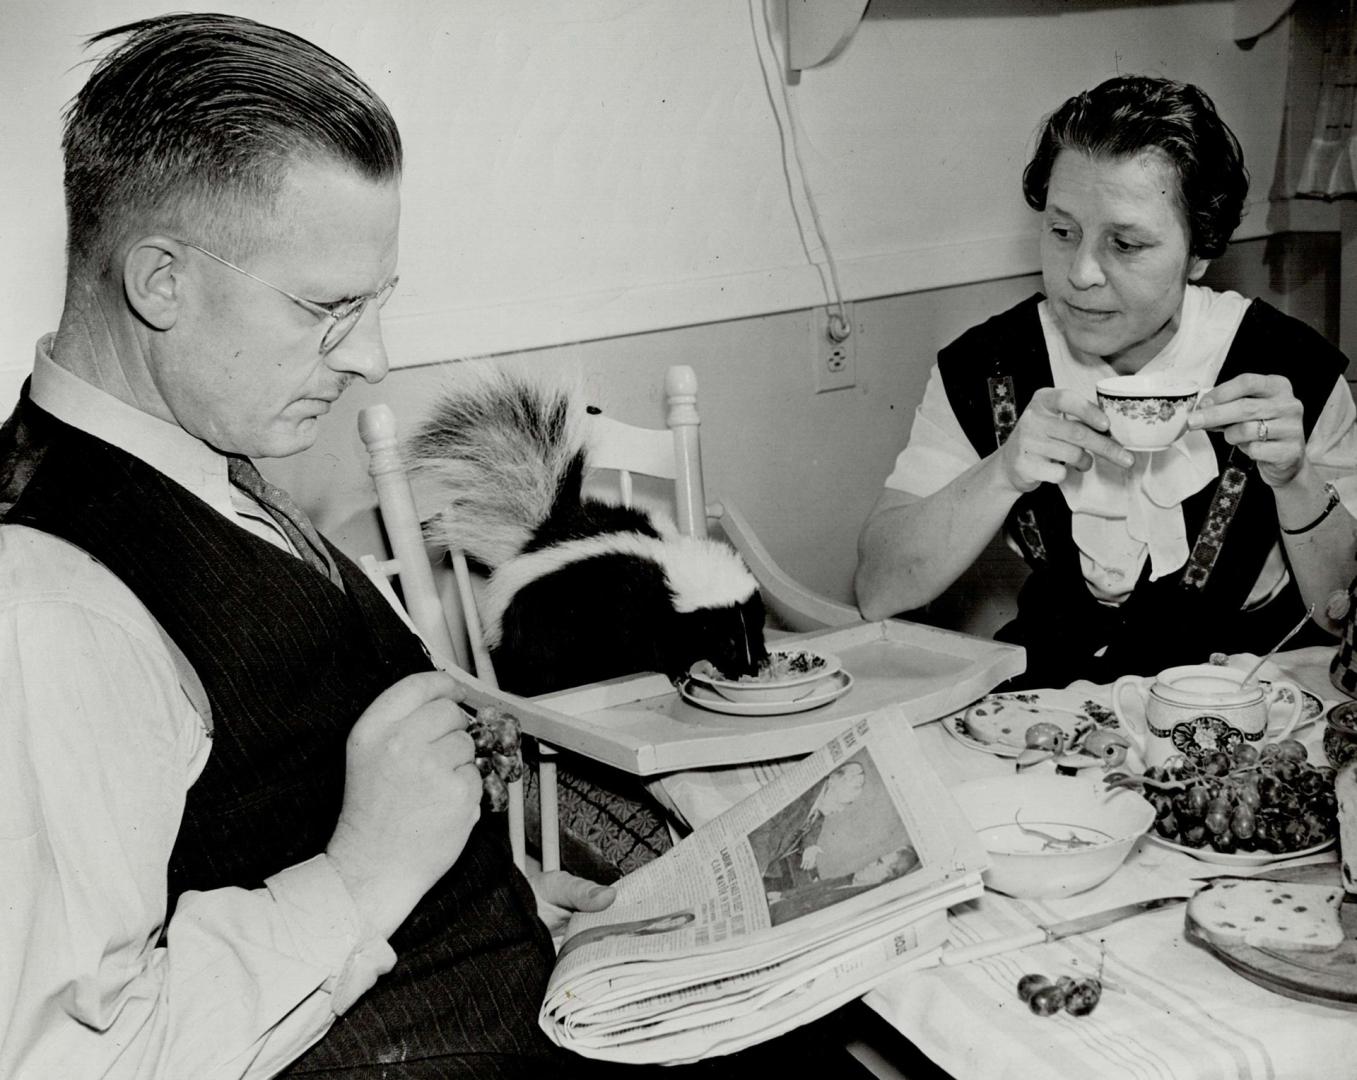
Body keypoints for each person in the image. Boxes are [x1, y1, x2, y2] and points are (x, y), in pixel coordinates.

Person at [0, 16, 877, 1079]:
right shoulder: (50, 603)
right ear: (161, 282)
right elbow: (69, 1056)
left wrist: (498, 894)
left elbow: (254, 802)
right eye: (327, 308)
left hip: (500, 980)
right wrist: (365, 874)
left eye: (375, 305)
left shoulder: (195, 452)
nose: (368, 359)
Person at [855, 75, 1357, 688]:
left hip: (1247, 700)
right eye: (1063, 232)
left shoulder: (1289, 369)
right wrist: (1003, 471)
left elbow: (1342, 614)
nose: (1082, 273)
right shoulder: (985, 366)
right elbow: (879, 588)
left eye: (1125, 243)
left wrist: (1296, 480)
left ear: (1199, 251)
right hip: (1058, 705)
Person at [749, 761, 867, 896]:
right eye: (842, 803)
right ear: (832, 783)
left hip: (771, 859)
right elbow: (763, 826)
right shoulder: (801, 791)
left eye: (847, 804)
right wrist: (757, 869)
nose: (841, 810)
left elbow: (815, 823)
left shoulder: (824, 801)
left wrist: (809, 846)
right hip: (757, 853)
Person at [766, 846, 920, 927]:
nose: (871, 863)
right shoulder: (852, 878)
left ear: (888, 877)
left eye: (879, 862)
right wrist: (783, 895)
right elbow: (819, 887)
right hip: (778, 906)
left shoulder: (858, 902)